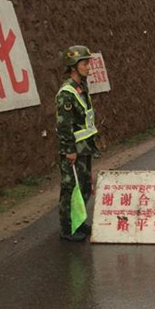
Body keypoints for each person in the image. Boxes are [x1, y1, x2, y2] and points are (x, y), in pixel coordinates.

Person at [57, 45, 100, 242]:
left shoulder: (81, 88)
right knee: (70, 189)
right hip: (73, 150)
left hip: (85, 148)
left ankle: (79, 222)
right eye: (85, 64)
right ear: (74, 67)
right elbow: (63, 125)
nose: (88, 67)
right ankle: (68, 229)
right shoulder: (66, 93)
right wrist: (69, 150)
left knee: (83, 187)